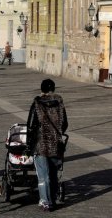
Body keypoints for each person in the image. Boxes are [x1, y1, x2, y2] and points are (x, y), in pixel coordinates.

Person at [26, 79, 68, 212]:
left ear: (42, 89)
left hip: (41, 145)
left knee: (43, 175)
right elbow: (65, 124)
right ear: (53, 89)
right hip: (56, 145)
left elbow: (30, 125)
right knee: (53, 174)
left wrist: (29, 144)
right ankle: (53, 199)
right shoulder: (59, 103)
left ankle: (45, 202)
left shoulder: (37, 103)